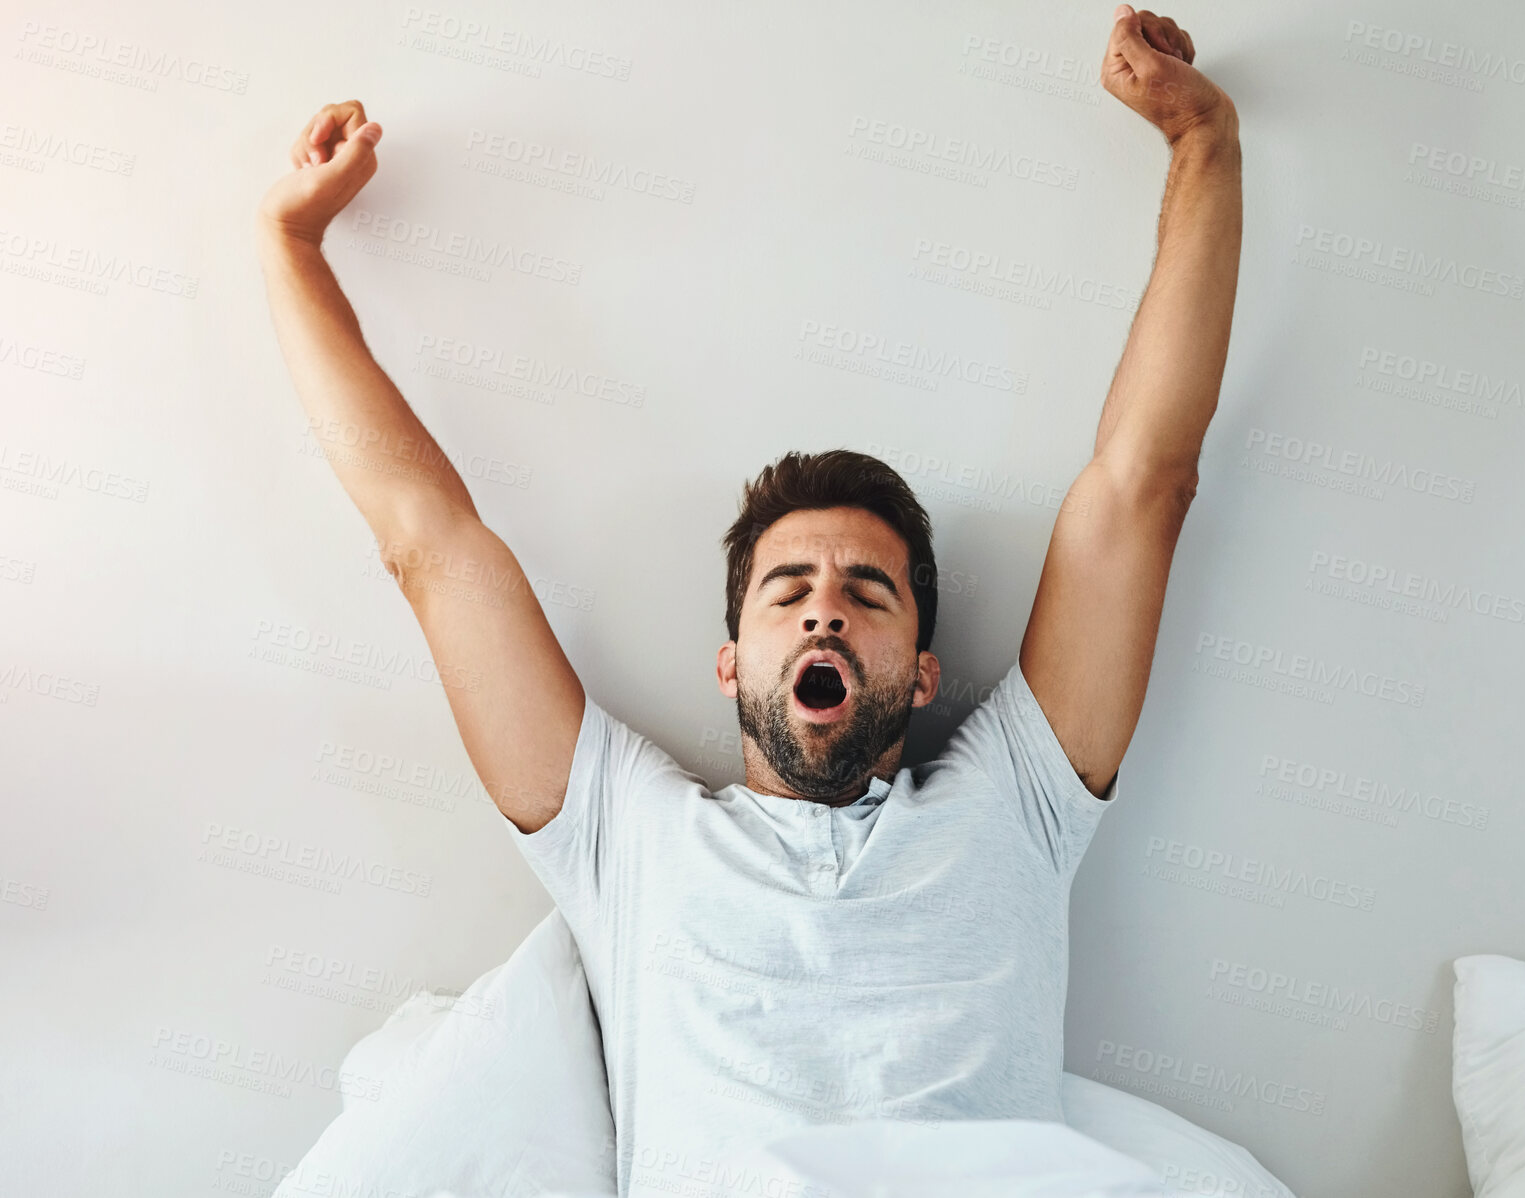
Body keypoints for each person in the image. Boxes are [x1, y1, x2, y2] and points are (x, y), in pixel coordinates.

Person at [255, 6, 1240, 1196]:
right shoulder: (628, 834)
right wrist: (291, 250)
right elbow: (430, 546)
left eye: (868, 592)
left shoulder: (1013, 806)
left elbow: (1145, 484)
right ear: (731, 661)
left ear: (925, 669)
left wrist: (1204, 145)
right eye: (790, 591)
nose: (826, 612)